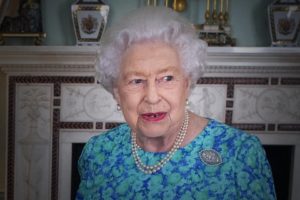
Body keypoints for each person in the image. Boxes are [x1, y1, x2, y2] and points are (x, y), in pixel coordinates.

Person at [76, 6, 276, 200]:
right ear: (117, 93)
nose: (152, 97)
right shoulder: (98, 153)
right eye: (136, 81)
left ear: (187, 85)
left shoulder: (240, 154)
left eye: (167, 78)